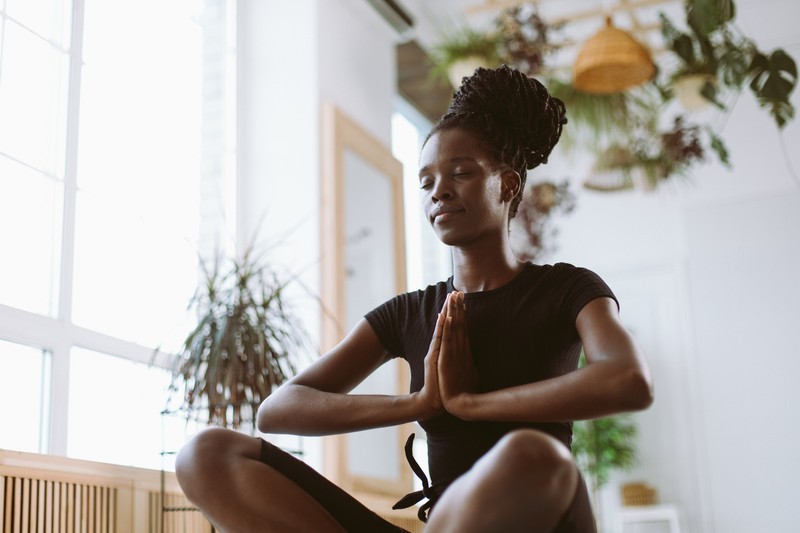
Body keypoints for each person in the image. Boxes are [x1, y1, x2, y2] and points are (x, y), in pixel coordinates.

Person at [175, 65, 654, 532]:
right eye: (426, 182)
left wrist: (471, 404)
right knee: (207, 453)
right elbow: (278, 410)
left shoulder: (567, 289)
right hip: (442, 523)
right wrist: (421, 403)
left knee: (534, 455)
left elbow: (629, 380)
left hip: (543, 520)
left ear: (507, 184)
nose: (438, 192)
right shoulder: (408, 313)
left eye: (460, 173)